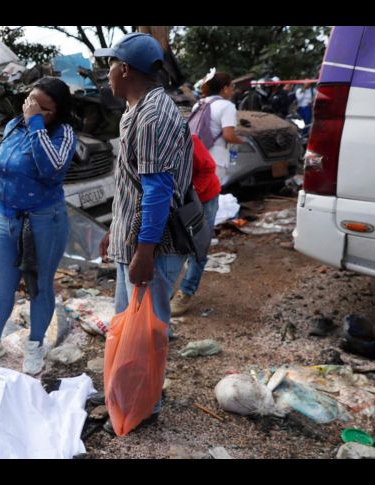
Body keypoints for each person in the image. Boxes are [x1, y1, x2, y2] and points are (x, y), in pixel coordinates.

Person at [93, 33, 193, 434]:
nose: (107, 75)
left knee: (145, 332)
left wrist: (144, 251)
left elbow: (157, 191)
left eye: (109, 67)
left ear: (124, 69)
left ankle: (142, 407)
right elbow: (133, 185)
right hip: (134, 239)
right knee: (131, 327)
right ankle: (131, 396)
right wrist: (113, 230)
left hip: (153, 244)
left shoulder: (152, 116)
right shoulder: (139, 109)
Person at [0, 77, 76, 376]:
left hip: (44, 221)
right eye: (30, 103)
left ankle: (35, 346)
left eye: (43, 108)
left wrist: (36, 125)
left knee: (39, 285)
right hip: (7, 219)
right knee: (2, 287)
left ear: (57, 112)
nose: (31, 110)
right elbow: (2, 172)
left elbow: (52, 170)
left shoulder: (64, 134)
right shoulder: (11, 127)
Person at [170, 134, 221, 316]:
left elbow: (208, 168)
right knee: (177, 244)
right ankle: (168, 289)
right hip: (179, 201)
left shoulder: (186, 140)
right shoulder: (151, 144)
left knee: (198, 246)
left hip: (204, 198)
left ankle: (186, 291)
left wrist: (192, 196)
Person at [194, 72, 245, 188]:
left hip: (198, 156)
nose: (233, 90)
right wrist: (241, 141)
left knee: (200, 194)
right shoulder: (227, 106)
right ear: (225, 89)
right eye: (232, 86)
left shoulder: (198, 104)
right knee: (212, 194)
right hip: (216, 159)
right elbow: (228, 135)